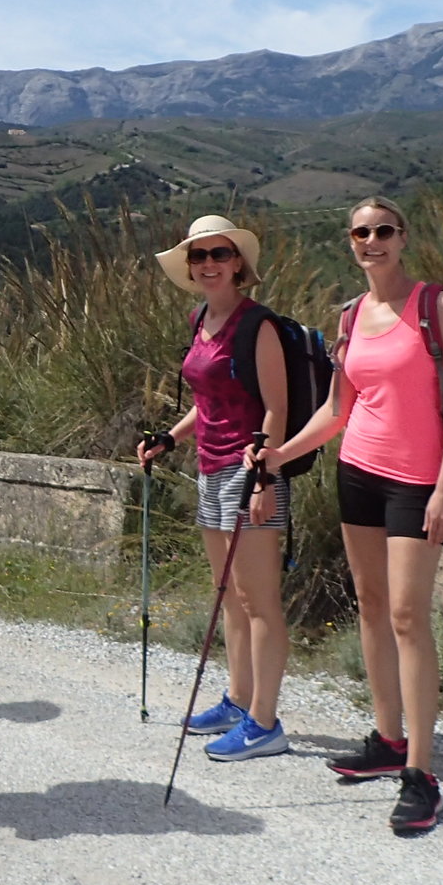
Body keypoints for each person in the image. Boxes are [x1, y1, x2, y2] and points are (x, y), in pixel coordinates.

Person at [258, 197, 443, 838]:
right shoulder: (351, 316)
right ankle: (387, 737)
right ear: (349, 242)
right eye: (361, 232)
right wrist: (280, 455)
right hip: (358, 473)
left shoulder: (437, 309)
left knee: (409, 616)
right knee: (372, 606)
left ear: (403, 238)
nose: (372, 241)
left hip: (416, 483)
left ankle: (421, 773)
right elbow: (338, 409)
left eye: (383, 231)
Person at [136, 216, 290, 761]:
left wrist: (263, 476)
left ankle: (265, 722)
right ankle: (237, 698)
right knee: (229, 595)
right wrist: (169, 439)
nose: (208, 264)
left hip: (248, 473)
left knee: (259, 600)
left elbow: (277, 407)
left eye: (218, 254)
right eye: (198, 256)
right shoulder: (201, 318)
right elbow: (207, 404)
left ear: (238, 263)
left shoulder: (258, 326)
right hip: (210, 469)